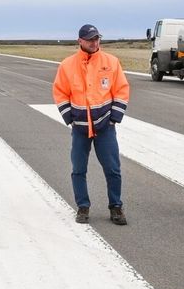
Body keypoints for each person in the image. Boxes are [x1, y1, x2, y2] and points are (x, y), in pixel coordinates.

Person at [52, 24, 130, 225]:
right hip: (79, 127)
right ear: (80, 41)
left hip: (105, 127)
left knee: (113, 169)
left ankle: (116, 207)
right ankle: (83, 207)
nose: (94, 42)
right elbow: (60, 92)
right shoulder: (67, 65)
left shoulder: (111, 62)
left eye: (97, 38)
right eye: (90, 39)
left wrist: (114, 117)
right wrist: (70, 117)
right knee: (78, 169)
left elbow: (121, 89)